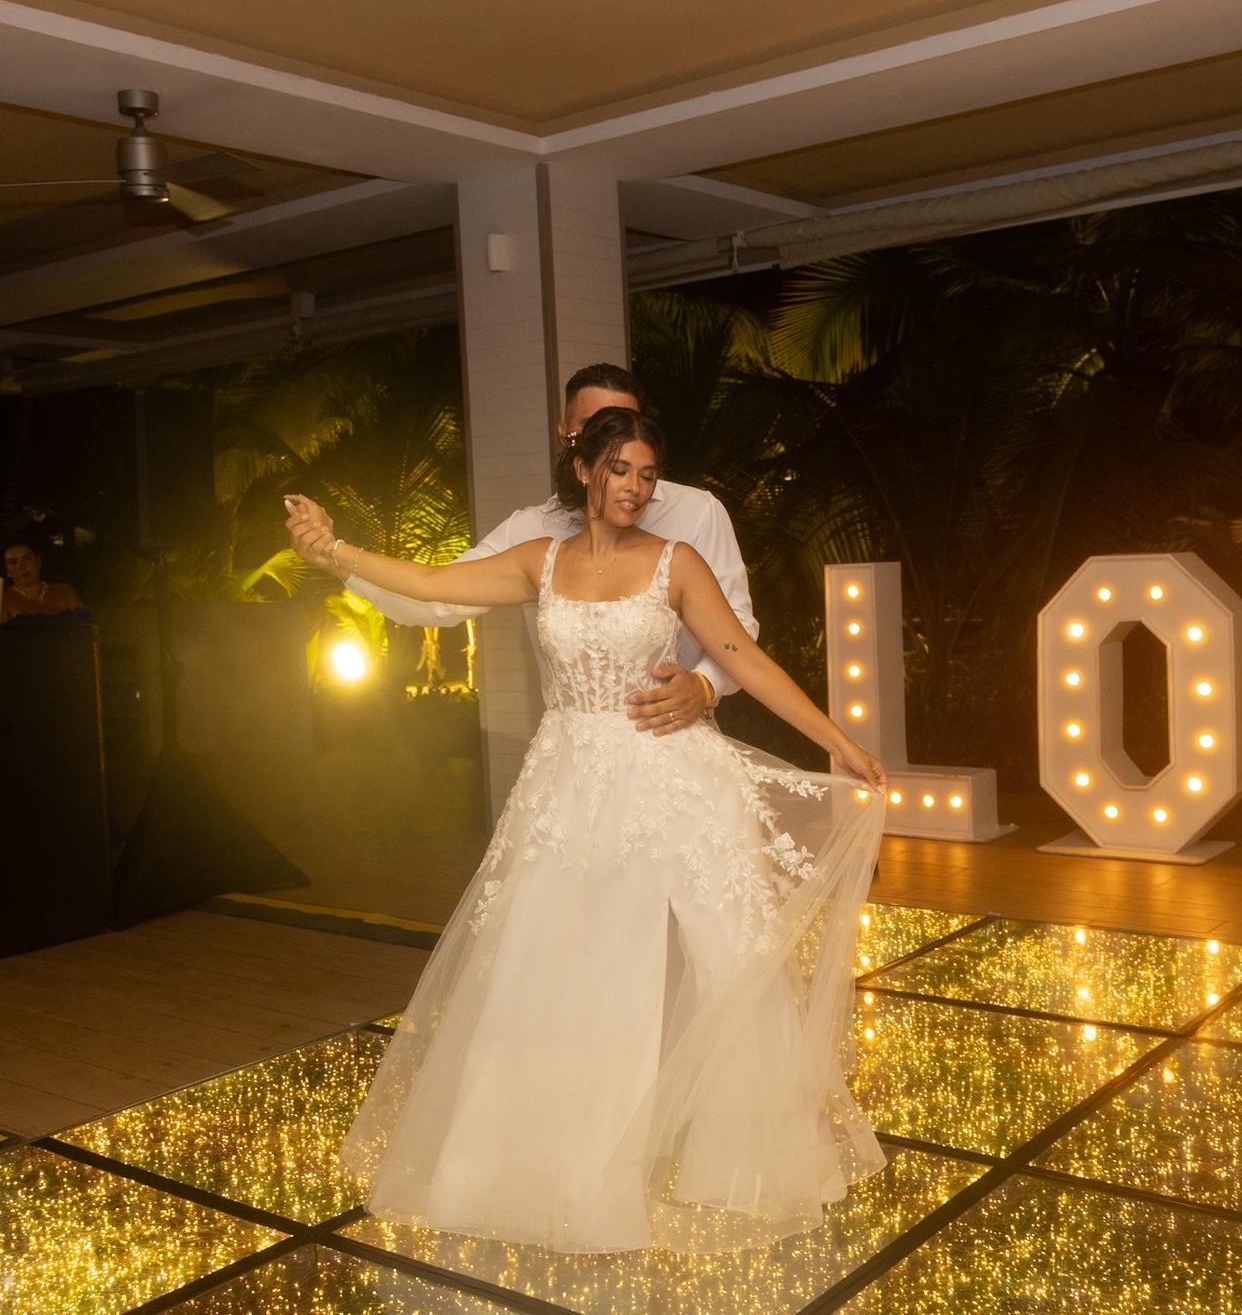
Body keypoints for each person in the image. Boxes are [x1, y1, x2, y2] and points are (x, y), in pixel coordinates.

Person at [286, 408, 889, 1254]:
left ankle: (751, 1164)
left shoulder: (676, 561)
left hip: (672, 778)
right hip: (568, 787)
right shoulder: (540, 559)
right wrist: (333, 552)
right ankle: (549, 1168)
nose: (634, 488)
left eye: (646, 473)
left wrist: (839, 742)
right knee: (554, 966)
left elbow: (743, 659)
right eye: (618, 469)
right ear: (583, 470)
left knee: (732, 960)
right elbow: (429, 582)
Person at [339, 363, 756, 735]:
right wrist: (336, 559)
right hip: (573, 752)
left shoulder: (697, 512)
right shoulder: (530, 532)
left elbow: (738, 627)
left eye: (620, 424)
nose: (609, 440)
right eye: (593, 428)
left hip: (674, 743)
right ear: (566, 436)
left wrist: (704, 684)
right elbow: (436, 598)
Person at [1, 540, 85, 624]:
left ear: (38, 561)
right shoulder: (3, 599)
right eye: (13, 562)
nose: (21, 566)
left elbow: (86, 625)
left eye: (27, 558)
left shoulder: (65, 591)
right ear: (7, 570)